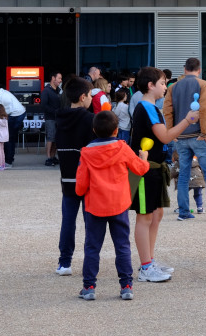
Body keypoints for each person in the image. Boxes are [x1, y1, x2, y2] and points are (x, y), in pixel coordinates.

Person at [130, 66, 199, 283]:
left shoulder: (151, 107)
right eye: (162, 83)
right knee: (145, 216)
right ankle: (145, 267)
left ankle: (149, 261)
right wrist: (187, 120)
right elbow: (166, 137)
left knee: (156, 214)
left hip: (155, 168)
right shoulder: (147, 107)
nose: (165, 87)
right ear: (150, 86)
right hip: (144, 170)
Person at [74, 110, 150, 301]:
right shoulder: (122, 148)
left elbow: (80, 187)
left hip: (95, 206)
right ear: (116, 130)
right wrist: (144, 158)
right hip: (119, 203)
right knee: (122, 245)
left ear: (94, 130)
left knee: (92, 246)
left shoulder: (86, 152)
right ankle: (126, 286)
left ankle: (89, 286)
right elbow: (140, 169)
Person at [163, 57, 206, 221]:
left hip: (180, 135)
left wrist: (171, 132)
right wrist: (204, 132)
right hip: (198, 135)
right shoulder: (203, 84)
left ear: (185, 69)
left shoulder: (173, 87)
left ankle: (183, 212)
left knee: (183, 175)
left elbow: (167, 111)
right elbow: (204, 109)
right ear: (199, 70)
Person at [54, 77, 95, 277]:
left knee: (68, 221)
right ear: (82, 97)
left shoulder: (60, 118)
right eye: (90, 95)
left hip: (67, 177)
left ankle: (64, 262)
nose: (92, 99)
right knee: (91, 223)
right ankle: (90, 262)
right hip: (88, 179)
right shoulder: (89, 119)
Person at [40, 71, 63, 166]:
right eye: (59, 78)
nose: (60, 80)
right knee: (50, 137)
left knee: (56, 138)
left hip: (58, 118)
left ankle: (53, 156)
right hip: (50, 118)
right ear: (53, 78)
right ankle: (48, 157)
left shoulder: (58, 90)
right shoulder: (46, 91)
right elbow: (44, 105)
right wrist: (55, 112)